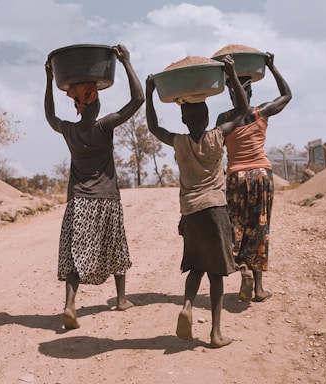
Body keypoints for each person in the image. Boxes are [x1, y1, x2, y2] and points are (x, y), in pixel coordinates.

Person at [145, 55, 247, 348]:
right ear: (205, 117)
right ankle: (215, 333)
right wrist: (231, 74)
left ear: (183, 119)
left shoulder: (178, 141)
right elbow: (241, 109)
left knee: (195, 266)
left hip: (190, 212)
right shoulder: (218, 135)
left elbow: (153, 127)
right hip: (215, 209)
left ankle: (188, 306)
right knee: (216, 273)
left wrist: (151, 94)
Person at [44, 44, 145, 330]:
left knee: (77, 253)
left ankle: (69, 305)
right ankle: (122, 299)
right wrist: (126, 62)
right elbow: (138, 100)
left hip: (79, 202)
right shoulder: (104, 126)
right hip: (107, 199)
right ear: (93, 103)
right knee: (116, 248)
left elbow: (50, 116)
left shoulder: (70, 130)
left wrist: (49, 80)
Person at [216, 52, 292, 303]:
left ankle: (244, 270)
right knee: (260, 227)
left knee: (236, 227)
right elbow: (287, 95)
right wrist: (272, 65)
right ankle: (258, 289)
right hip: (262, 174)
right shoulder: (262, 112)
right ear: (250, 93)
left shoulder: (223, 119)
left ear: (231, 92)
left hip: (237, 176)